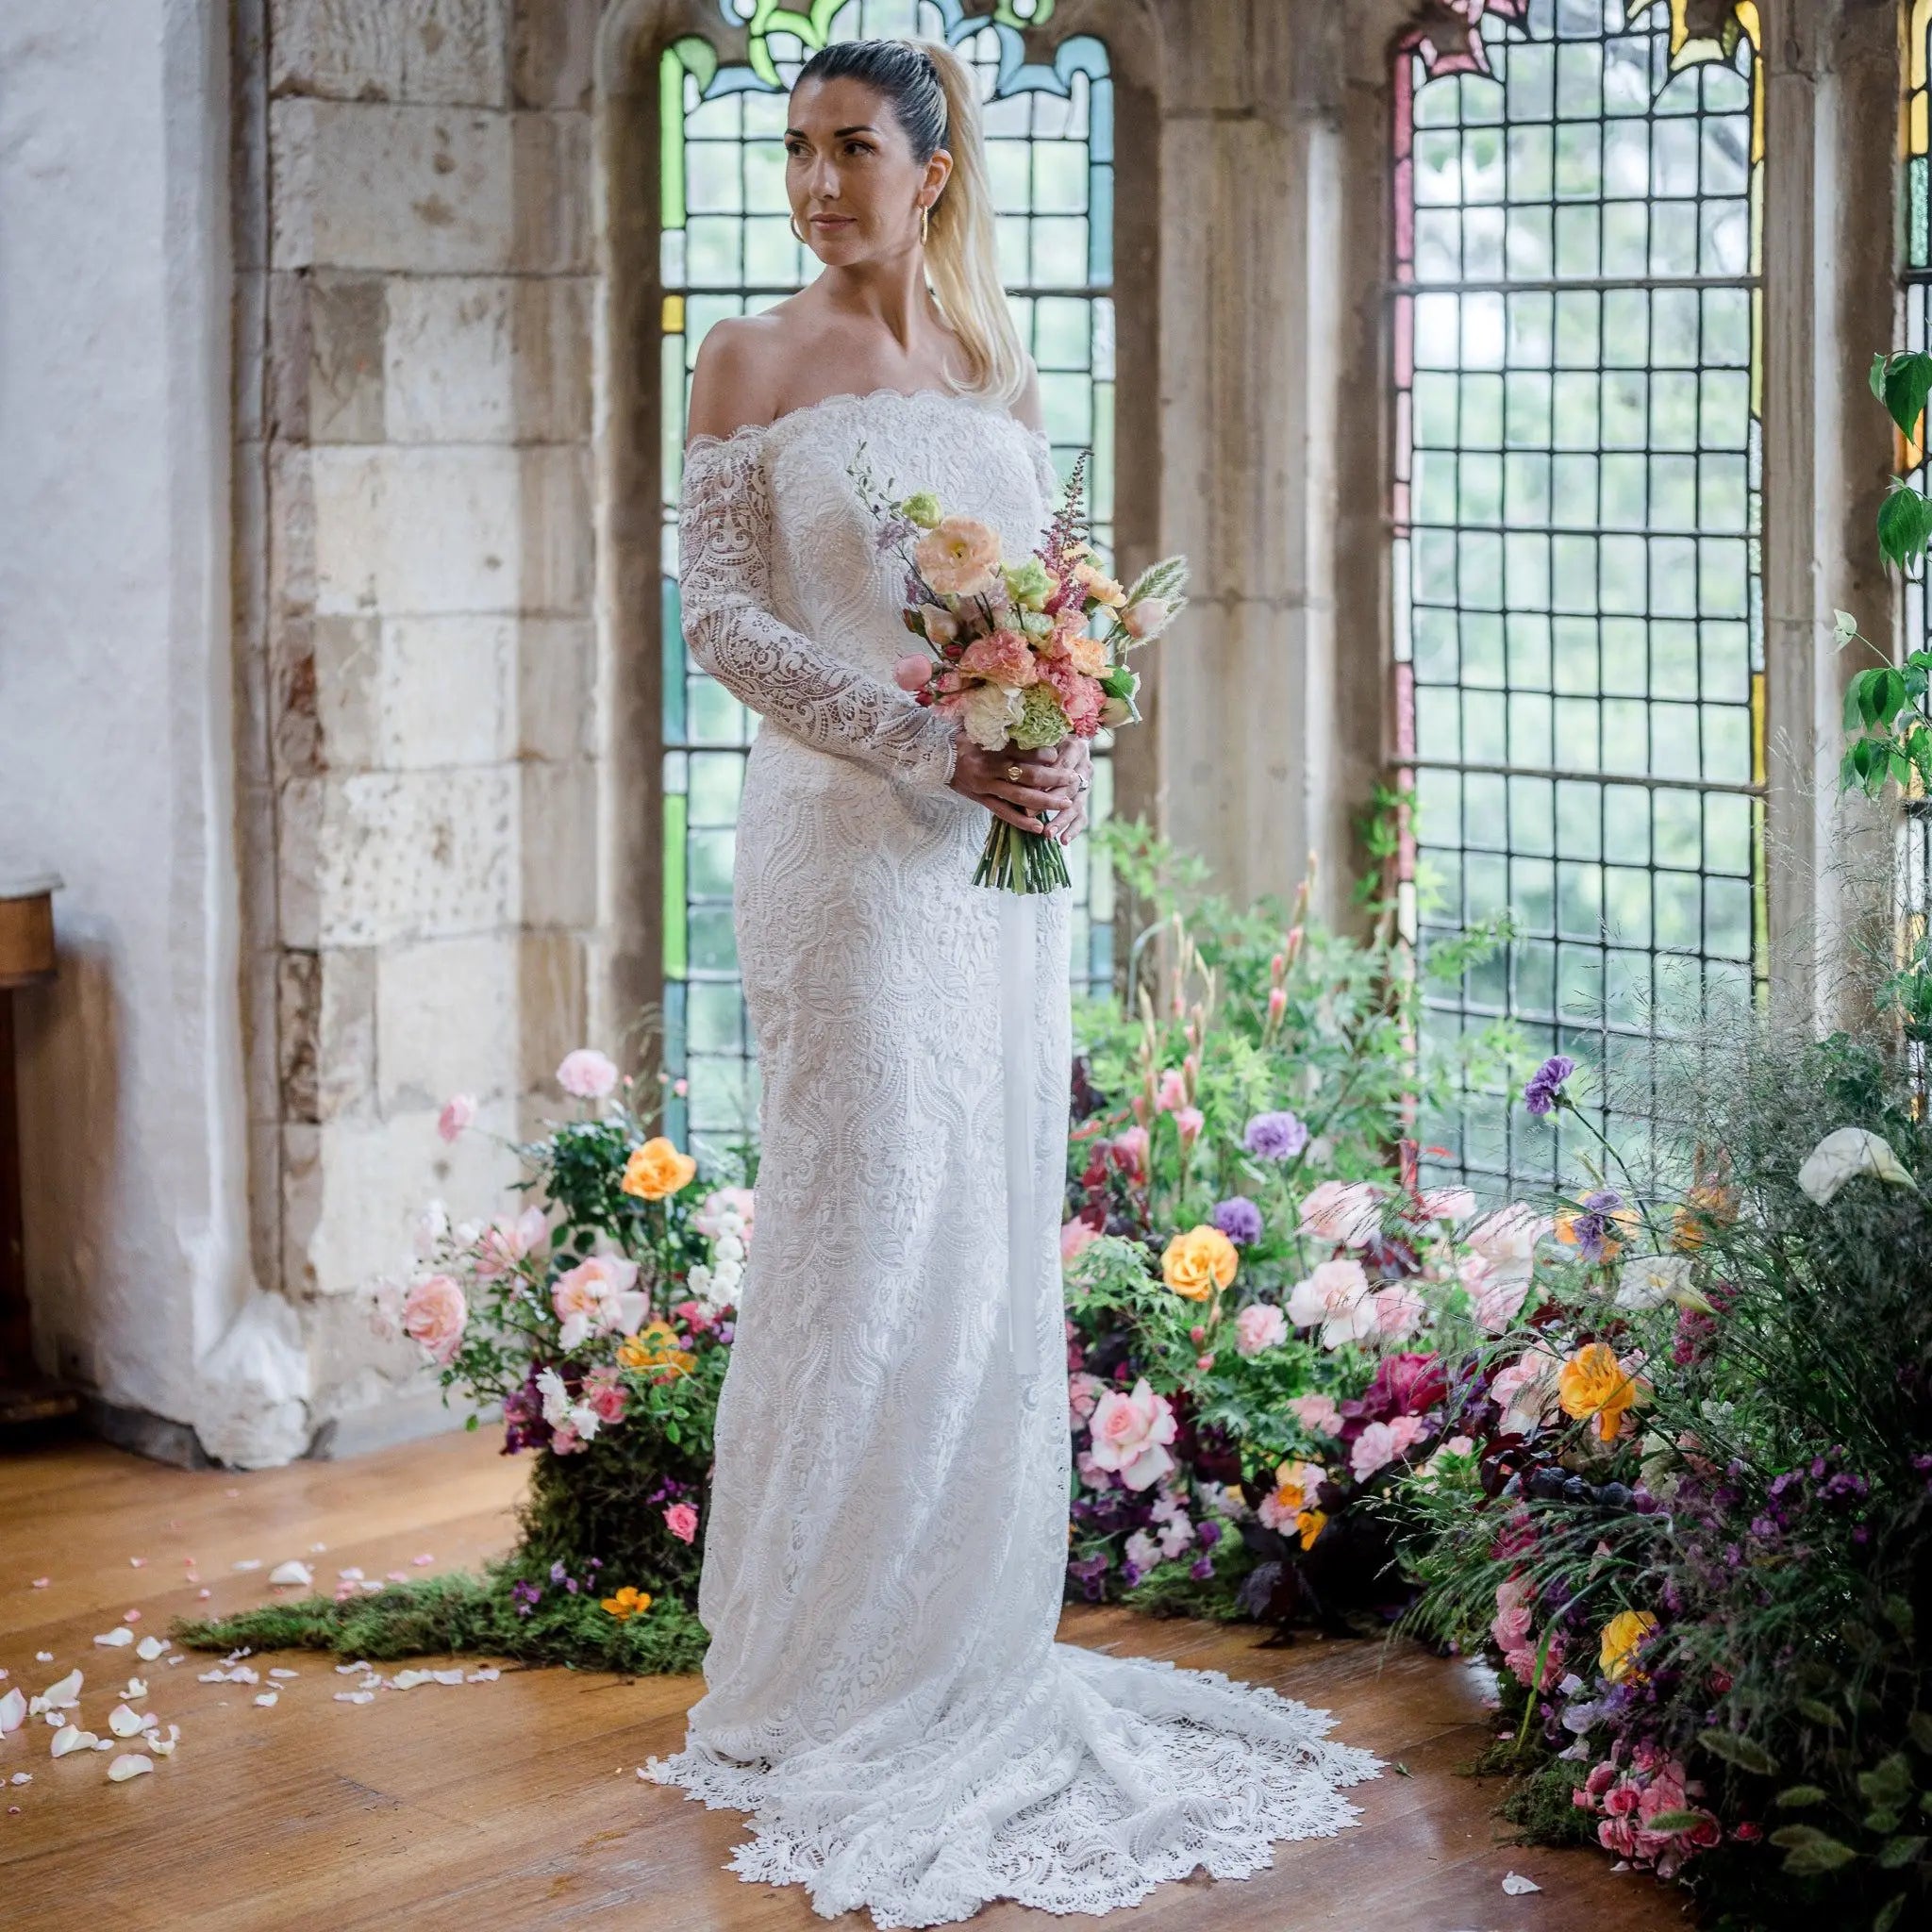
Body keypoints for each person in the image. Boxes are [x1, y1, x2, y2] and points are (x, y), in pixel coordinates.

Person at [644, 36, 1379, 1926]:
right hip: (847, 852)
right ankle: (821, 1663)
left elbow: (1059, 602)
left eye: (850, 151)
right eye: (796, 150)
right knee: (857, 1215)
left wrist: (1057, 735)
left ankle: (956, 1635)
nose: (814, 183)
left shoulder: (993, 369)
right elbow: (718, 614)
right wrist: (922, 741)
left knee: (976, 1224)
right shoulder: (746, 360)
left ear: (934, 169)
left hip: (993, 868)